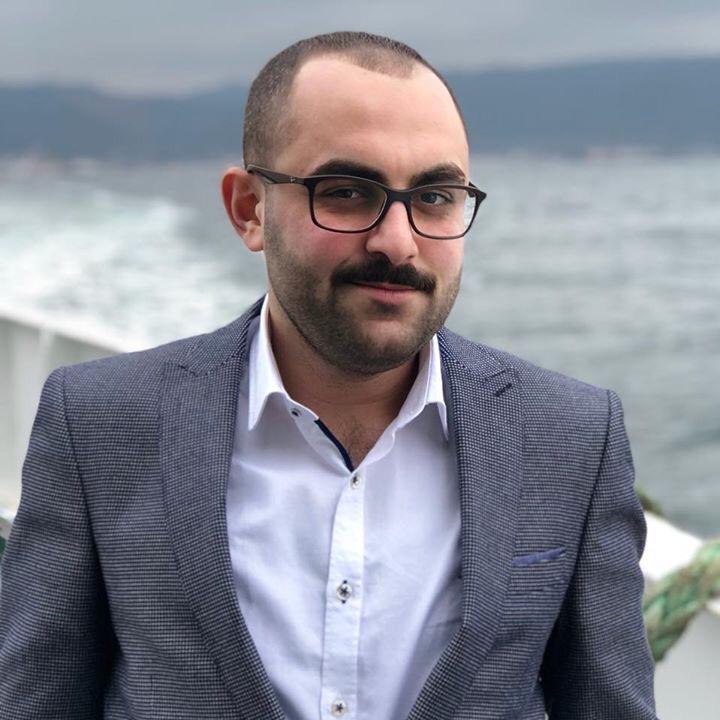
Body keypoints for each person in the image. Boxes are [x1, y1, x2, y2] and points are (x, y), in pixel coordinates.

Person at [0, 31, 657, 720]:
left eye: (435, 197)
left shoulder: (572, 439)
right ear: (249, 209)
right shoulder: (98, 426)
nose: (398, 242)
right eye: (346, 192)